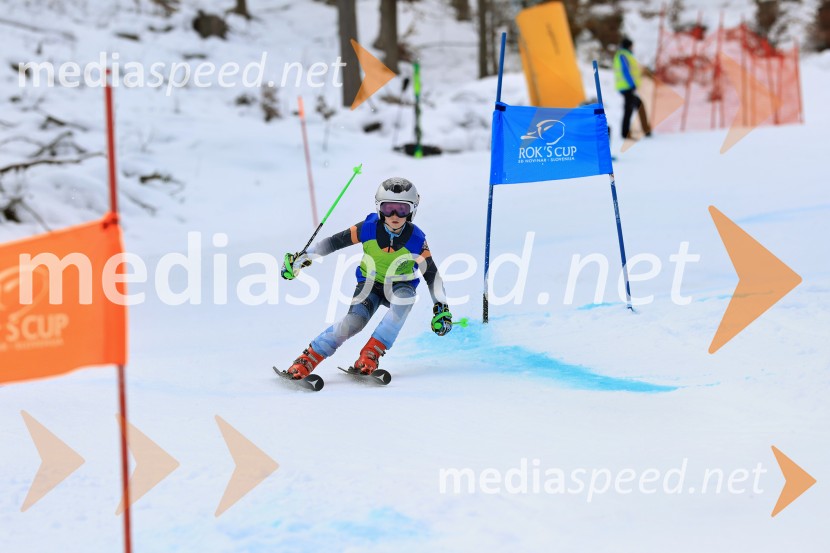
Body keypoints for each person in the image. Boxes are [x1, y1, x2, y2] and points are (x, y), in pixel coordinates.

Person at [280, 177, 453, 379]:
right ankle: (308, 358)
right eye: (388, 208)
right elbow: (334, 242)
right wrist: (303, 257)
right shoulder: (369, 227)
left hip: (401, 286)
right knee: (354, 322)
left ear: (413, 210)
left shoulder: (416, 239)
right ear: (380, 209)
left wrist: (442, 308)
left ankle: (371, 353)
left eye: (402, 209)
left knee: (404, 301)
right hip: (369, 284)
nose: (395, 215)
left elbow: (432, 275)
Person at [613, 37, 652, 140]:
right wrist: (632, 84)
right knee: (631, 108)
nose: (632, 48)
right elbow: (625, 71)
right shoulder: (623, 55)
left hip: (626, 87)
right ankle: (627, 133)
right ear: (628, 46)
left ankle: (644, 130)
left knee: (634, 107)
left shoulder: (625, 55)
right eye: (631, 46)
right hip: (626, 87)